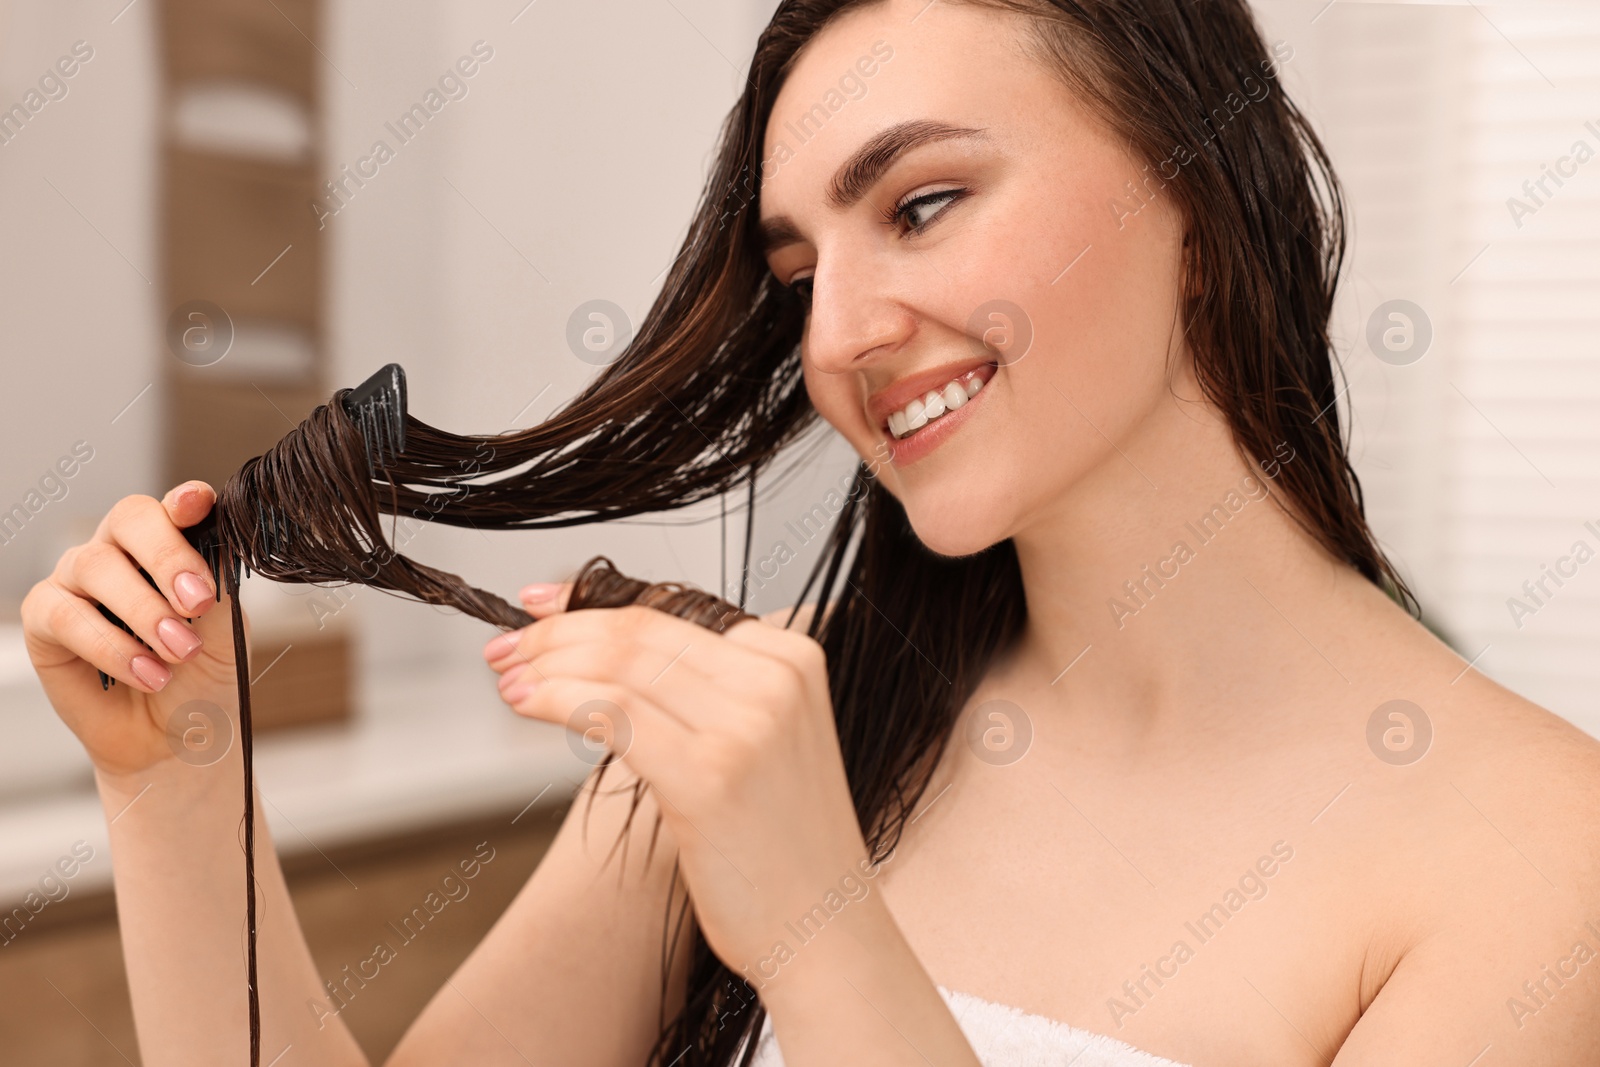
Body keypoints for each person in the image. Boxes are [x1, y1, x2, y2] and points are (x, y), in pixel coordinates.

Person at [22, 0, 1600, 1064]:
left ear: (1198, 193)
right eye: (796, 271)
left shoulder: (1540, 863)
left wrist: (819, 925)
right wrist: (178, 780)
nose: (839, 332)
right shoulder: (766, 732)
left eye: (920, 205)